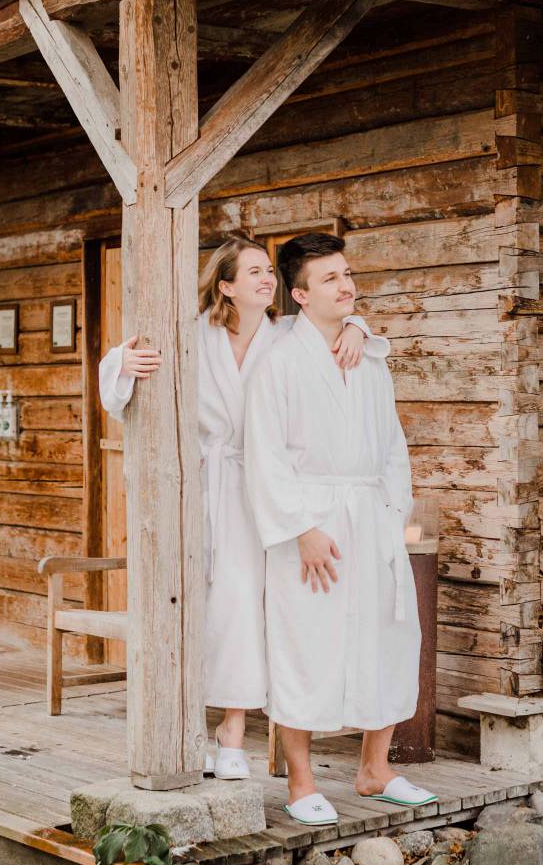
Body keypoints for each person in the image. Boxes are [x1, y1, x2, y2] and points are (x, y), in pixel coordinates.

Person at [98, 233, 384, 780]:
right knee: (197, 602)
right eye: (251, 271)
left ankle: (232, 729)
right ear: (225, 285)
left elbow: (335, 330)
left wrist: (357, 326)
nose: (264, 279)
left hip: (264, 489)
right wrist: (124, 362)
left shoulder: (284, 337)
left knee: (247, 606)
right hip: (204, 483)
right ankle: (187, 725)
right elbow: (120, 364)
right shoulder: (192, 336)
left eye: (267, 271)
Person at [243, 232, 434, 827]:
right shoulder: (277, 362)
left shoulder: (370, 356)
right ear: (298, 294)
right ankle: (301, 782)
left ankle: (375, 768)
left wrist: (391, 509)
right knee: (305, 642)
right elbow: (264, 453)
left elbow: (393, 444)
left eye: (347, 274)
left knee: (390, 634)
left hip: (370, 515)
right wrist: (301, 527)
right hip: (311, 517)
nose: (346, 285)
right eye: (329, 279)